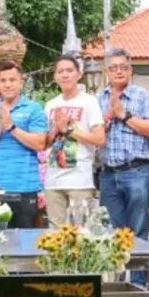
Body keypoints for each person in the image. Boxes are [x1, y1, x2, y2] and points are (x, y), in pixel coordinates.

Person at [97, 48, 149, 237]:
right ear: (106, 72)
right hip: (108, 173)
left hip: (137, 171)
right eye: (113, 68)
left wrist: (124, 115)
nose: (119, 71)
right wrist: (107, 119)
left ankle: (138, 259)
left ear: (131, 70)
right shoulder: (98, 98)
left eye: (123, 67)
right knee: (110, 233)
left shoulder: (143, 96)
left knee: (137, 230)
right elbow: (94, 135)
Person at [0, 61, 48, 228]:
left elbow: (40, 143)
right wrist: (0, 124)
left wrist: (11, 127)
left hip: (26, 186)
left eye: (12, 80)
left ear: (21, 82)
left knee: (26, 239)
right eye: (3, 80)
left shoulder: (33, 109)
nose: (7, 84)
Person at [44, 55, 106, 228]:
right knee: (55, 234)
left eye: (69, 71)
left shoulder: (89, 102)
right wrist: (55, 130)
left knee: (81, 232)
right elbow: (45, 143)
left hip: (80, 179)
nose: (65, 75)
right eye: (60, 71)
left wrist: (69, 130)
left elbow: (100, 138)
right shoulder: (50, 105)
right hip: (53, 179)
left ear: (79, 74)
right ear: (55, 76)